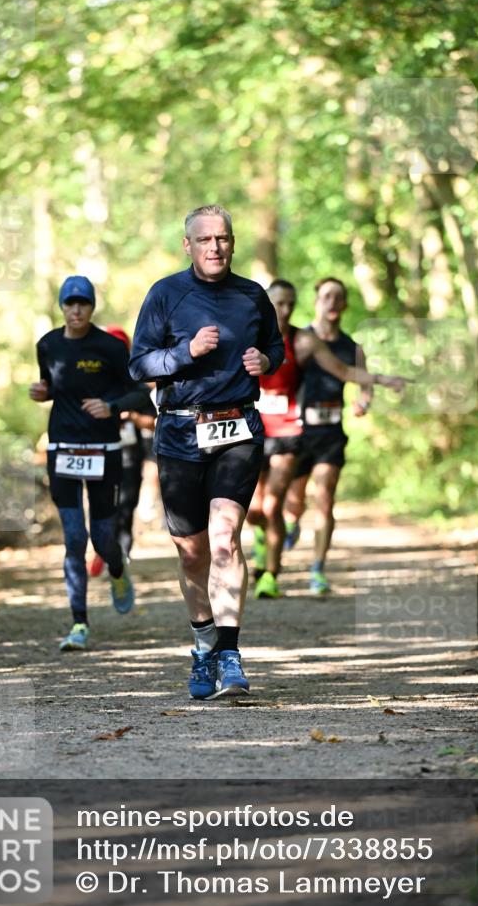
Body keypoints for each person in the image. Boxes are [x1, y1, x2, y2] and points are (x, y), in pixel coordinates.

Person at [129, 204, 285, 700]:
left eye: (222, 238)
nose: (214, 247)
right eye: (204, 239)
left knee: (224, 541)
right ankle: (203, 646)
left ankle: (231, 655)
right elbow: (139, 365)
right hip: (179, 432)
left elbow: (276, 348)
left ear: (232, 243)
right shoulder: (165, 294)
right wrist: (186, 353)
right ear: (188, 246)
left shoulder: (252, 295)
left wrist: (265, 360)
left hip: (238, 428)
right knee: (193, 552)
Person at [248, 279, 408, 598]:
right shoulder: (251, 336)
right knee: (262, 508)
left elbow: (346, 372)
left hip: (300, 433)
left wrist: (378, 384)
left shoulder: (311, 342)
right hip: (260, 429)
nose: (285, 310)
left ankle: (287, 573)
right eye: (278, 303)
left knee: (294, 500)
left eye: (289, 304)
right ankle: (267, 535)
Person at [30, 276, 150, 651]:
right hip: (63, 448)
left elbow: (140, 393)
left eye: (83, 303)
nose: (76, 310)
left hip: (103, 450)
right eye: (70, 303)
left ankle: (117, 568)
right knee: (74, 537)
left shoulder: (110, 347)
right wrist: (43, 392)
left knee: (101, 539)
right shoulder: (47, 345)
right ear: (62, 307)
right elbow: (53, 385)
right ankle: (79, 623)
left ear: (92, 307)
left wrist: (111, 406)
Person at [283, 276, 377, 594]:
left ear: (345, 304)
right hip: (297, 430)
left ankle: (318, 568)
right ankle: (291, 521)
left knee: (324, 497)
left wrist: (364, 402)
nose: (333, 302)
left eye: (338, 297)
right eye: (327, 296)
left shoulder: (352, 347)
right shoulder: (300, 340)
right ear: (317, 302)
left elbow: (365, 383)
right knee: (294, 501)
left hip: (331, 433)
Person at [88, 325, 157, 574]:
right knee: (102, 506)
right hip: (98, 453)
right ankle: (102, 549)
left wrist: (132, 417)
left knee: (126, 507)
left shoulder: (135, 383)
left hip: (130, 453)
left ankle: (121, 559)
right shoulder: (90, 379)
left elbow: (153, 421)